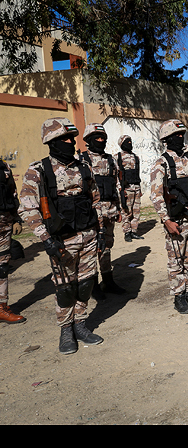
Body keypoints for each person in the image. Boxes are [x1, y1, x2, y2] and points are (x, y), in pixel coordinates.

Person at [19, 118, 104, 354]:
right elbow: (27, 207)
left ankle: (81, 324)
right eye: (64, 139)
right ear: (52, 142)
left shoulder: (83, 167)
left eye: (71, 138)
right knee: (66, 288)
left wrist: (101, 231)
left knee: (86, 284)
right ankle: (66, 330)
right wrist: (45, 239)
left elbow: (95, 200)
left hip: (88, 236)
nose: (70, 142)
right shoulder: (39, 170)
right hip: (61, 241)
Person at [149, 119, 188, 314]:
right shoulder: (162, 162)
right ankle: (179, 296)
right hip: (176, 219)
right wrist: (166, 220)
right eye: (176, 135)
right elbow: (156, 194)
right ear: (166, 138)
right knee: (176, 259)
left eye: (182, 134)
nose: (180, 137)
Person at [81, 124, 126, 296]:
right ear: (88, 140)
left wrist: (119, 208)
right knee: (92, 248)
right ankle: (93, 285)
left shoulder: (110, 159)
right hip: (92, 213)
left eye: (102, 138)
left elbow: (115, 184)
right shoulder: (82, 160)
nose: (100, 141)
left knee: (107, 246)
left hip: (110, 211)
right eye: (96, 138)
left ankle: (108, 281)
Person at [0, 156, 25, 324]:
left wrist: (16, 219)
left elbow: (12, 193)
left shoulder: (3, 166)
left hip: (4, 223)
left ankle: (2, 307)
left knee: (2, 266)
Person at [117, 135, 144, 242]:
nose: (129, 143)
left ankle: (134, 231)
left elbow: (137, 173)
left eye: (130, 141)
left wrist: (140, 189)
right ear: (121, 144)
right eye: (126, 142)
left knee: (136, 211)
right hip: (126, 188)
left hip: (136, 187)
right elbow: (117, 175)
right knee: (126, 211)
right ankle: (127, 232)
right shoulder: (117, 157)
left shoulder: (136, 157)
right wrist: (120, 189)